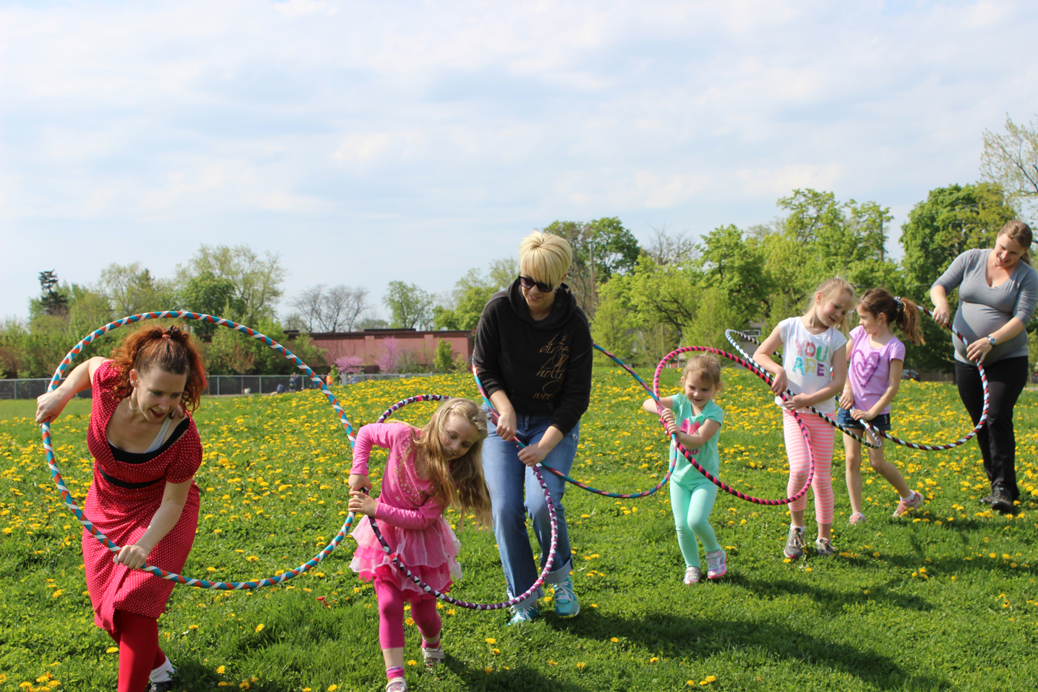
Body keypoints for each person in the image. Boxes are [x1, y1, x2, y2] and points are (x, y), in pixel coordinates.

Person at [34, 325, 206, 692]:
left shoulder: (183, 437)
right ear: (132, 378)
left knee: (134, 603)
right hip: (106, 502)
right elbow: (91, 364)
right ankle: (160, 670)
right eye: (157, 392)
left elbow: (174, 502)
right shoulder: (110, 384)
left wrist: (145, 544)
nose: (165, 404)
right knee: (109, 609)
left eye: (175, 395)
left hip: (161, 513)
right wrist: (62, 393)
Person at [473, 231, 593, 625]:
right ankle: (523, 595)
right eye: (526, 280)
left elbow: (576, 399)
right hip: (503, 421)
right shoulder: (498, 309)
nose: (532, 290)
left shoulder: (574, 324)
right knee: (506, 507)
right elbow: (483, 367)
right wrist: (503, 409)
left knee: (542, 504)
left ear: (559, 281)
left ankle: (559, 581)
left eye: (543, 284)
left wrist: (543, 446)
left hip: (552, 423)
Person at [347, 398, 492, 692]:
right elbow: (365, 433)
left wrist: (376, 509)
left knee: (423, 615)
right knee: (388, 605)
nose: (455, 447)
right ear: (439, 419)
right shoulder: (402, 437)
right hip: (384, 539)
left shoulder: (450, 475)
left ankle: (432, 642)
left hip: (423, 548)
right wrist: (358, 470)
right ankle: (396, 679)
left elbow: (422, 520)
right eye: (452, 435)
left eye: (465, 444)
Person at [931, 219, 1038, 515]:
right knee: (980, 421)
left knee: (996, 416)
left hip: (1007, 358)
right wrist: (942, 304)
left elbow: (1021, 318)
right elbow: (940, 286)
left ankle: (1004, 488)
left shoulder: (1028, 277)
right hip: (966, 360)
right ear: (997, 237)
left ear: (1022, 254)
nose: (1004, 256)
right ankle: (998, 485)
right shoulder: (971, 259)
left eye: (1013, 254)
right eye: (1002, 248)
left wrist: (991, 340)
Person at [753, 278, 854, 559]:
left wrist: (808, 400)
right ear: (820, 297)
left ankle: (825, 537)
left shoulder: (836, 339)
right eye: (837, 306)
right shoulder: (789, 326)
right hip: (793, 414)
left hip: (822, 415)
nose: (839, 315)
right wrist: (778, 370)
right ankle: (797, 529)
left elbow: (837, 383)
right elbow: (760, 353)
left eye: (845, 312)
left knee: (821, 478)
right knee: (799, 471)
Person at [839, 289, 926, 524]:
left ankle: (909, 497)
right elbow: (840, 364)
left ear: (881, 318)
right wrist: (847, 389)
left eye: (864, 318)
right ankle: (856, 512)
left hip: (874, 414)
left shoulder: (894, 347)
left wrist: (871, 413)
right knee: (851, 459)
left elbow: (892, 387)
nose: (860, 323)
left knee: (876, 462)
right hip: (849, 407)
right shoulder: (857, 335)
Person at [642, 355, 727, 584]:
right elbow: (648, 402)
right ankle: (692, 566)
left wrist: (677, 433)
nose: (697, 394)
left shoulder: (714, 413)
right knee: (682, 526)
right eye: (692, 387)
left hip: (703, 479)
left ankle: (715, 552)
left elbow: (698, 438)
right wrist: (662, 412)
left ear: (716, 389)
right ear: (683, 382)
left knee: (696, 521)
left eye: (704, 389)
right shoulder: (680, 401)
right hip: (679, 477)